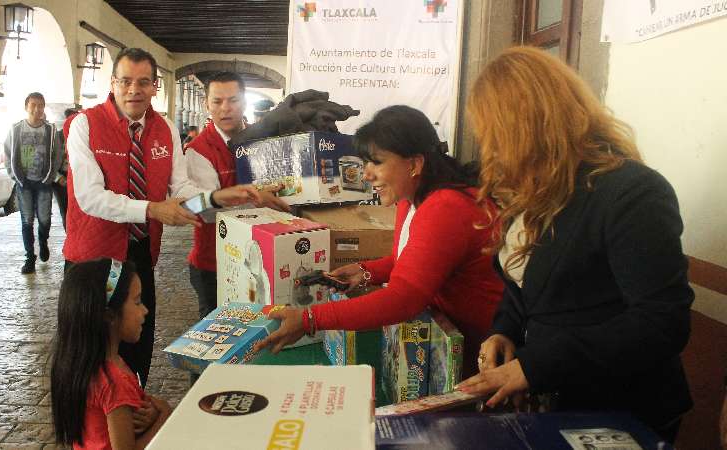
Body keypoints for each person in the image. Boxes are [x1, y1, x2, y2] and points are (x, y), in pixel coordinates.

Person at [457, 46, 693, 443]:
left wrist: (535, 367)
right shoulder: (534, 190)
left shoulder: (631, 191)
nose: (489, 149)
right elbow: (524, 287)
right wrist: (504, 333)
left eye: (493, 134)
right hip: (556, 404)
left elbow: (661, 322)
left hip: (620, 411)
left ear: (527, 124)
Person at [64, 48, 265, 386]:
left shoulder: (164, 128)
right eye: (126, 81)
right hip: (95, 260)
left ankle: (133, 409)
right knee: (90, 352)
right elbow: (89, 197)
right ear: (113, 83)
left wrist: (216, 197)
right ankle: (94, 432)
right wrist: (152, 209)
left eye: (143, 82)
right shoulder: (84, 124)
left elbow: (181, 187)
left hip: (140, 256)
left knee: (137, 342)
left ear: (155, 86)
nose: (134, 90)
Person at [257, 105, 504, 378]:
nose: (366, 174)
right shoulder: (411, 200)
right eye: (365, 163)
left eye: (376, 162)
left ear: (414, 164)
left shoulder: (445, 207)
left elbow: (403, 298)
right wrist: (366, 271)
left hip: (482, 356)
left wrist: (310, 319)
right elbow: (411, 262)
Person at [184, 71, 289, 320]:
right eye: (217, 102)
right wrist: (256, 200)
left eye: (233, 100)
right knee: (217, 336)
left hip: (261, 258)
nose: (225, 109)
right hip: (216, 264)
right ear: (206, 104)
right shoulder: (198, 150)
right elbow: (204, 210)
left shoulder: (262, 142)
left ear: (244, 102)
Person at [51, 259, 171, 449]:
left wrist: (152, 406)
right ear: (110, 316)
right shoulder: (114, 382)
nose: (145, 310)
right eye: (138, 301)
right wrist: (165, 415)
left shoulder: (82, 365)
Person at [4, 92, 64, 274]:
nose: (37, 109)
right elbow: (8, 154)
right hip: (25, 182)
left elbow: (57, 156)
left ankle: (43, 240)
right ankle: (30, 257)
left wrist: (52, 176)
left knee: (45, 219)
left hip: (44, 181)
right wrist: (14, 175)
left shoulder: (50, 130)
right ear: (26, 107)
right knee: (27, 220)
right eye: (33, 105)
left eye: (40, 105)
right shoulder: (16, 130)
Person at [52, 107, 78, 230]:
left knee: (78, 211)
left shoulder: (82, 135)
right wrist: (58, 177)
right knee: (65, 210)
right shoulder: (57, 136)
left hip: (76, 177)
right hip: (60, 178)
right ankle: (69, 236)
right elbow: (49, 160)